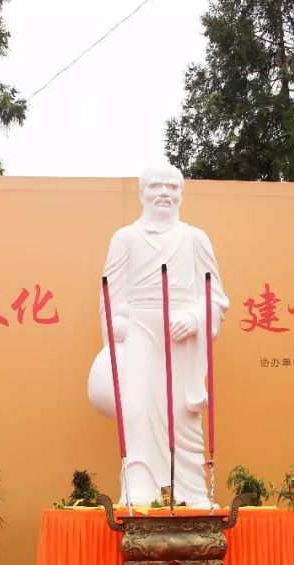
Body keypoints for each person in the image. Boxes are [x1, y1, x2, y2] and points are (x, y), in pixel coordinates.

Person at [87, 163, 229, 507]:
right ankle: (138, 483)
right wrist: (116, 330)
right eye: (156, 187)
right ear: (142, 192)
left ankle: (190, 491)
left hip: (180, 338)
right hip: (137, 330)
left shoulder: (195, 239)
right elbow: (109, 292)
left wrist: (195, 318)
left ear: (181, 193)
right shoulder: (125, 238)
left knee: (180, 413)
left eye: (171, 187)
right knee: (136, 407)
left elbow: (216, 296)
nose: (164, 193)